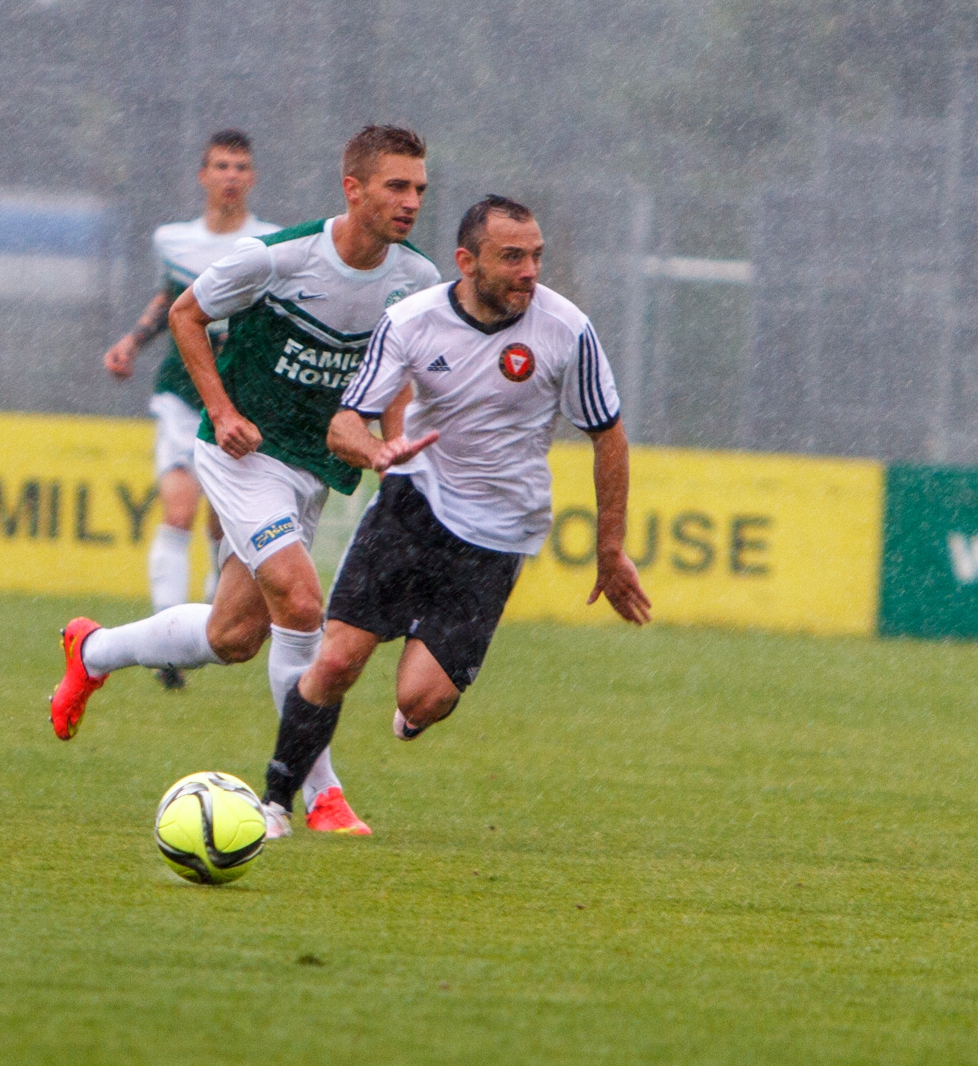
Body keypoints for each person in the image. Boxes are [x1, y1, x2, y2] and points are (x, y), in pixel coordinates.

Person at [51, 126, 443, 835]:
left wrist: (399, 449)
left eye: (418, 187)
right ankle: (312, 794)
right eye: (396, 186)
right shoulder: (281, 256)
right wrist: (223, 411)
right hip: (243, 454)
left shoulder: (415, 281)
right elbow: (185, 314)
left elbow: (396, 372)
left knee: (233, 636)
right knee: (300, 602)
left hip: (313, 466)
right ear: (353, 189)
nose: (411, 200)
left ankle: (94, 649)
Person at [257, 195, 653, 837]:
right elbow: (343, 424)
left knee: (424, 699)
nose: (530, 271)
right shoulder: (412, 321)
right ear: (467, 262)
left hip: (499, 537)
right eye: (512, 257)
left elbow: (609, 436)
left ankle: (412, 710)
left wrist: (611, 551)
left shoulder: (566, 329)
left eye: (536, 256)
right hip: (412, 505)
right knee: (335, 662)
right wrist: (379, 451)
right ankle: (273, 803)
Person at [102, 129, 280, 690]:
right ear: (203, 176)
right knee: (178, 510)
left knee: (221, 520)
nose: (231, 176)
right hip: (185, 384)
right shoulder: (173, 240)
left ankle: (206, 617)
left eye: (240, 167)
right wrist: (132, 341)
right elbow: (169, 299)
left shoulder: (271, 243)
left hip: (240, 388)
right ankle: (164, 648)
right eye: (221, 166)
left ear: (252, 178)